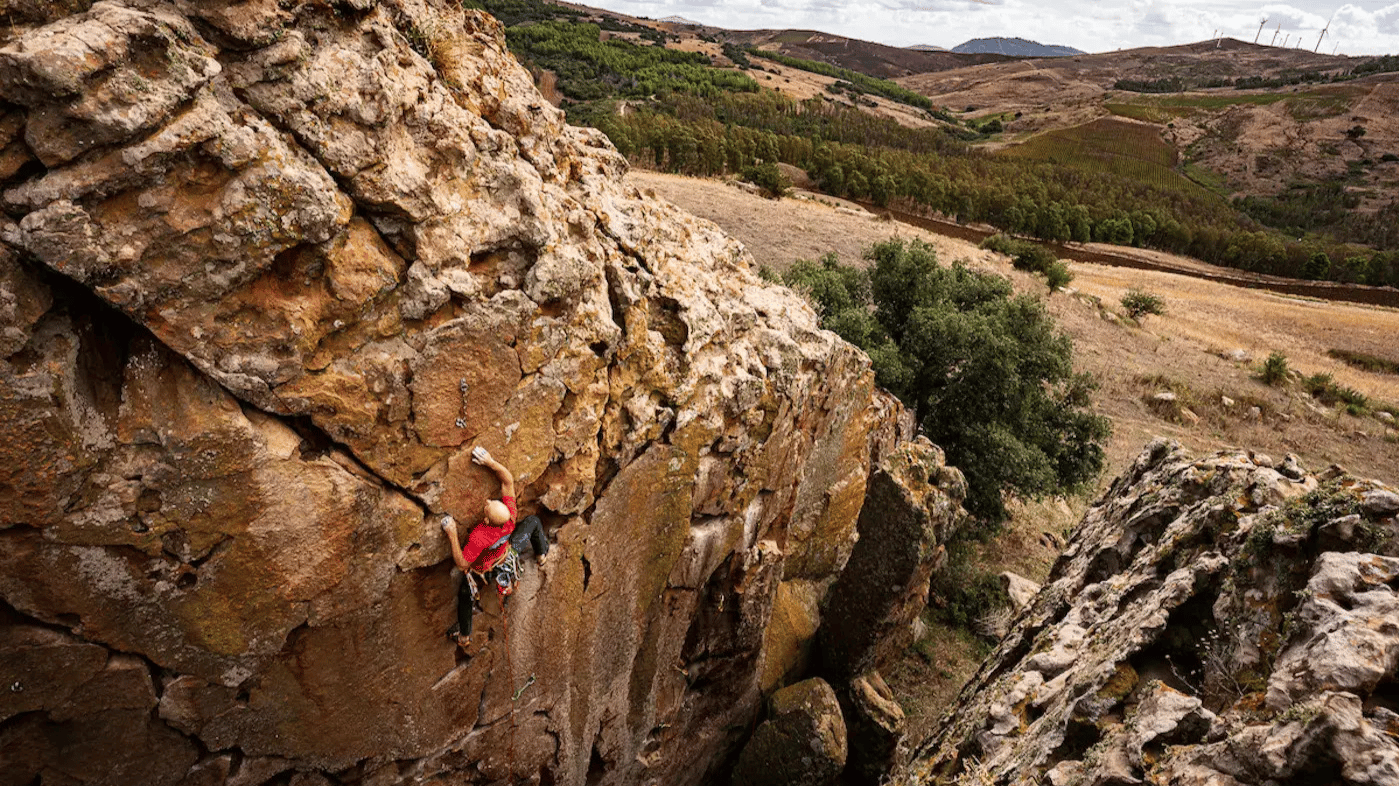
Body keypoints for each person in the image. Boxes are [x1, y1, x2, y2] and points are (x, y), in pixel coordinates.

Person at [441, 446, 549, 650]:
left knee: (466, 594)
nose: (488, 501)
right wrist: (490, 462)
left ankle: (464, 636)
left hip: (483, 571)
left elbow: (463, 563)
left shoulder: (480, 535)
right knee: (533, 522)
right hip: (506, 556)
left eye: (488, 505)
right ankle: (541, 553)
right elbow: (507, 480)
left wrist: (452, 534)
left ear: (486, 519)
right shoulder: (509, 515)